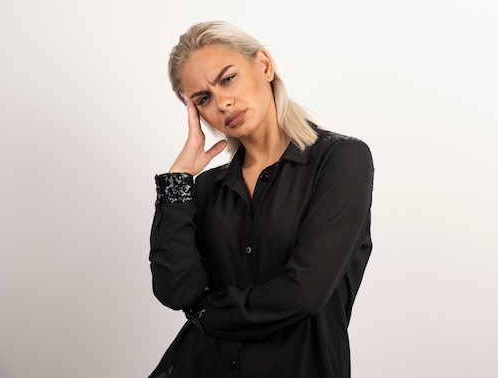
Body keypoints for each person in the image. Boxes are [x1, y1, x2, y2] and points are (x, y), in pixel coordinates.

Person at [148, 21, 374, 378]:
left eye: (227, 78)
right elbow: (176, 290)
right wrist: (177, 183)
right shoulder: (206, 188)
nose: (222, 102)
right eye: (203, 99)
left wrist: (208, 311)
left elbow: (304, 294)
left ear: (264, 65)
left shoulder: (340, 160)